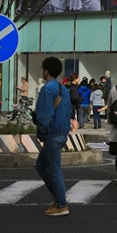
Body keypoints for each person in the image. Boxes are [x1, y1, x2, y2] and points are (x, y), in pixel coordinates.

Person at [33, 57, 73, 216]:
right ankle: (58, 196)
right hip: (62, 132)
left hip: (52, 134)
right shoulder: (63, 89)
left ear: (46, 71)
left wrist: (42, 133)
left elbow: (44, 115)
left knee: (53, 169)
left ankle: (61, 204)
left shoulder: (47, 89)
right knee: (41, 165)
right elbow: (68, 111)